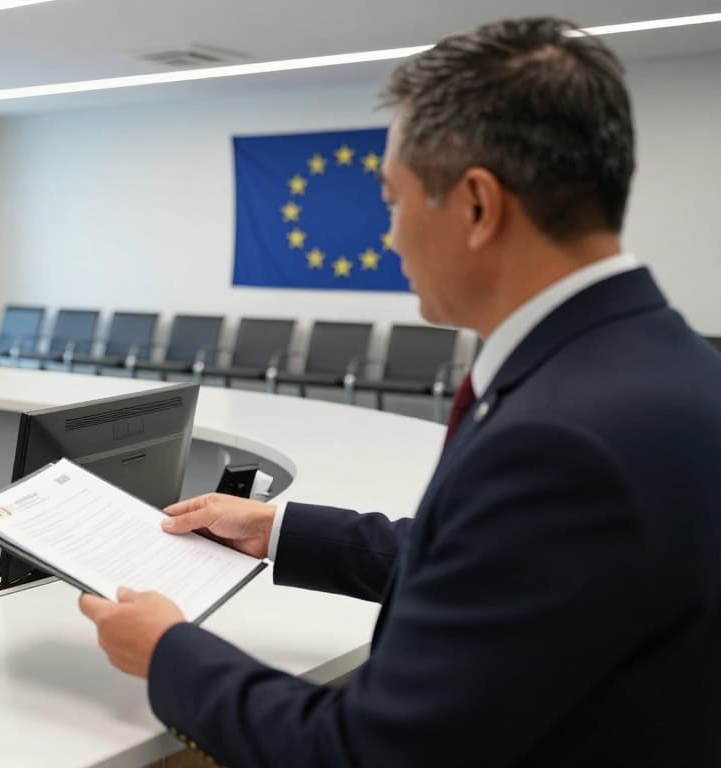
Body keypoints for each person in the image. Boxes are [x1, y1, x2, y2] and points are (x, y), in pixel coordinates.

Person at [79, 17, 721, 766]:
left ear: (478, 206)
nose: (390, 237)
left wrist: (170, 655)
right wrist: (280, 531)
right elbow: (503, 564)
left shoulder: (564, 438)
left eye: (394, 201)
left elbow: (369, 751)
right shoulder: (657, 362)